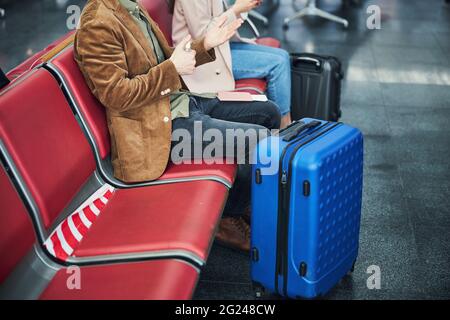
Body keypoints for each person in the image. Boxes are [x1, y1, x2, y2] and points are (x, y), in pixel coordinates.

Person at [74, 0, 281, 252]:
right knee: (260, 141)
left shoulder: (129, 7)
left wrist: (204, 44)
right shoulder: (97, 22)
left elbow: (162, 58)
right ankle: (229, 217)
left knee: (268, 113)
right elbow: (116, 94)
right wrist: (172, 69)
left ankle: (244, 200)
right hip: (160, 128)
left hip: (183, 102)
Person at [171, 0, 292, 128]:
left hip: (220, 49)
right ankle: (284, 128)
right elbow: (203, 37)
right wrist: (235, 9)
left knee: (282, 56)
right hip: (202, 59)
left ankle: (287, 127)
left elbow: (216, 17)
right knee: (278, 63)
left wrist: (241, 7)